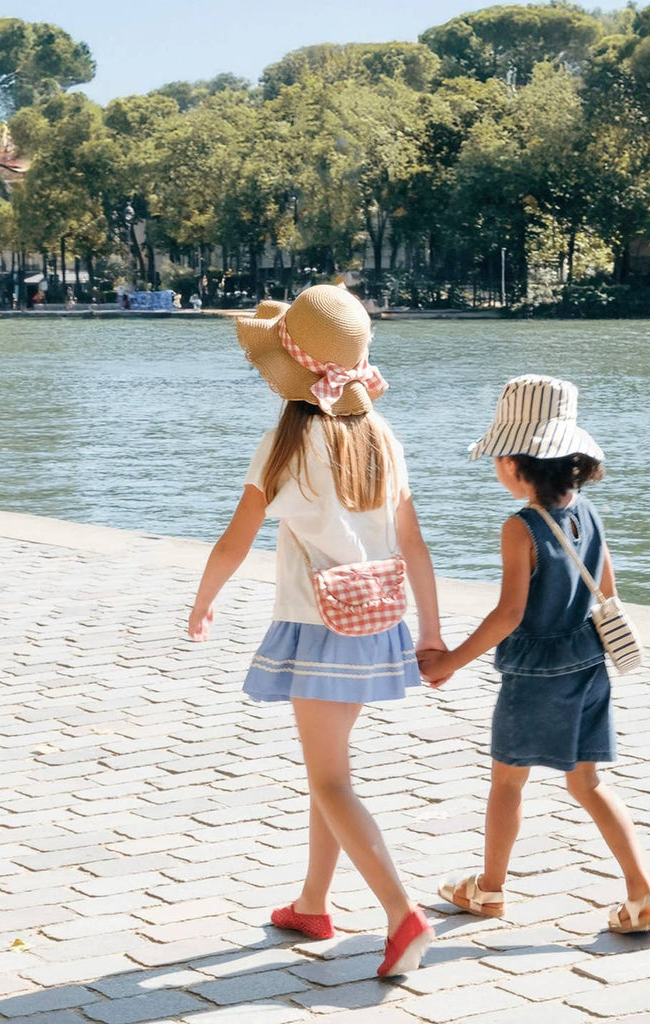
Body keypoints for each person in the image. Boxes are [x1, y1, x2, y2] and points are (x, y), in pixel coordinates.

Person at [189, 285, 442, 976]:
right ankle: (312, 902)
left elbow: (235, 540)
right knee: (329, 771)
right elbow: (415, 545)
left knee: (331, 780)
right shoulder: (383, 436)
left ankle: (402, 915)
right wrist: (432, 631)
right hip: (378, 621)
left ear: (289, 371)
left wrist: (203, 602)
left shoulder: (287, 439)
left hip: (317, 622)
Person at [419, 375, 650, 935]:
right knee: (588, 782)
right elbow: (609, 594)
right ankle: (642, 892)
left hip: (536, 676)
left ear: (514, 461)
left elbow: (509, 614)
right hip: (589, 664)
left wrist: (449, 661)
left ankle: (489, 890)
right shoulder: (591, 514)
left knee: (508, 782)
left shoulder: (520, 526)